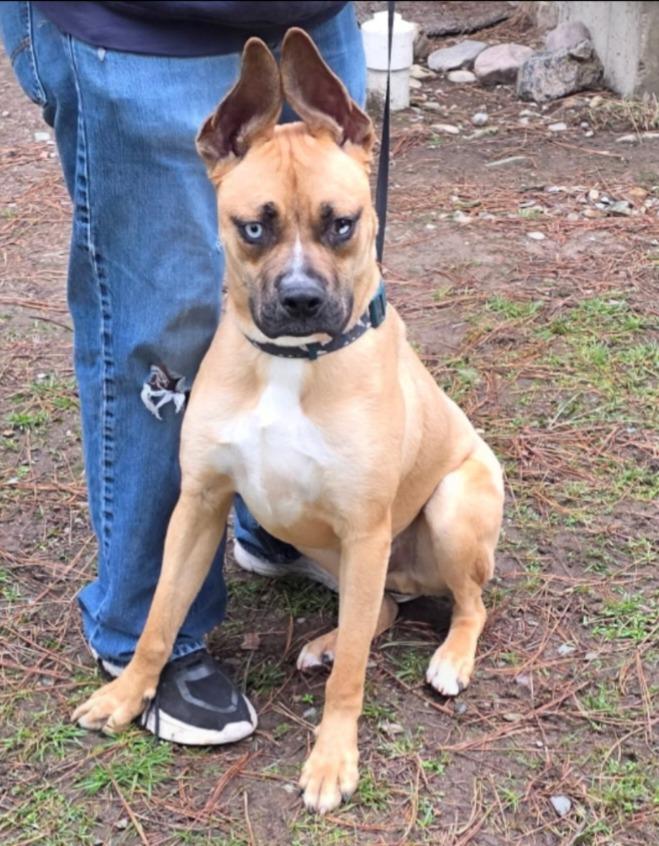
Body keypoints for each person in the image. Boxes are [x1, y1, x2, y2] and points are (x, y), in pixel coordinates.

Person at [1, 0, 366, 745]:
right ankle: (143, 632)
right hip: (139, 28)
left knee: (338, 318)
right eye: (260, 232)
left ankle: (276, 518)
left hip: (312, 15)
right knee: (166, 335)